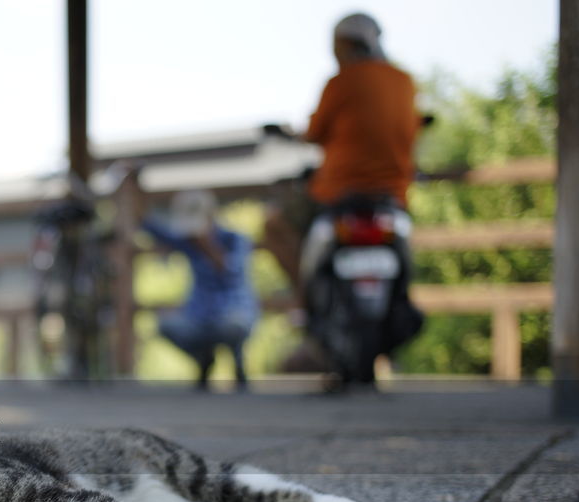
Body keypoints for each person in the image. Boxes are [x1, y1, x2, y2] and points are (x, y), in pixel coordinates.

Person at [261, 12, 419, 299]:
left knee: (274, 225)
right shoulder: (404, 82)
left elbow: (313, 133)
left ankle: (306, 299)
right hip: (393, 195)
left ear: (344, 44)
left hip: (337, 192)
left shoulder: (341, 82)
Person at [142, 189, 258, 391]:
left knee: (233, 325)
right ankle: (204, 359)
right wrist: (134, 186)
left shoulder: (234, 239)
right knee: (167, 324)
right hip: (199, 316)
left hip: (233, 313)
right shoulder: (188, 243)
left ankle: (238, 362)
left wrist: (207, 246)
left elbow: (232, 272)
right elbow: (148, 226)